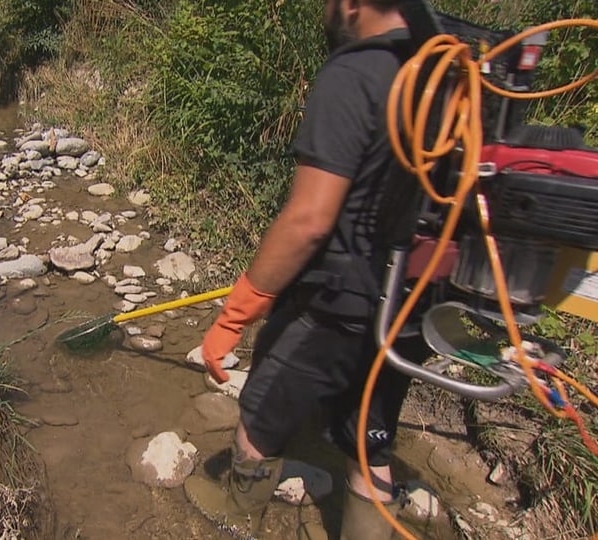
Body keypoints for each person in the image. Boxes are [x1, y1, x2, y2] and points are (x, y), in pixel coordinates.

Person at [183, 1, 433, 539]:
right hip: (414, 303)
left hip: (341, 302)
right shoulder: (438, 72)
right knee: (370, 441)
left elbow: (309, 221)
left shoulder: (355, 72)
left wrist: (235, 315)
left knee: (260, 410)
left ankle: (234, 514)